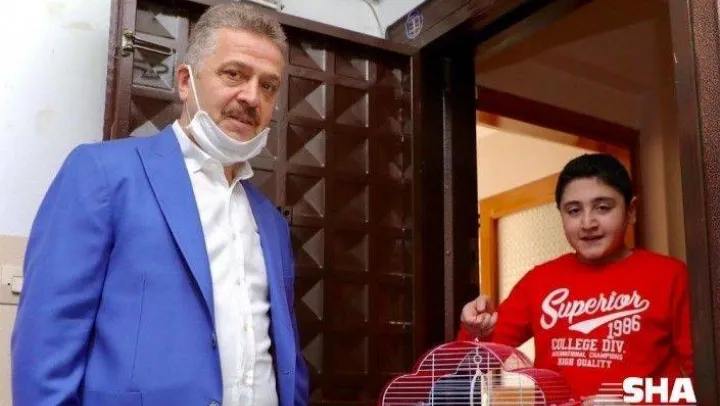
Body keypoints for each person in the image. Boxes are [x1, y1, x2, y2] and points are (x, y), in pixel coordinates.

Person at [11, 4, 308, 406]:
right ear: (186, 81)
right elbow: (46, 346)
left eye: (268, 86)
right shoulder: (103, 174)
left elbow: (284, 357)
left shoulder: (270, 222)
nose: (252, 97)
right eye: (234, 74)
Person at [458, 153, 693, 405]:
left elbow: (702, 378)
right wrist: (475, 329)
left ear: (631, 211)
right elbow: (470, 365)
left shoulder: (671, 276)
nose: (587, 223)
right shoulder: (539, 281)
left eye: (603, 208)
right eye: (574, 211)